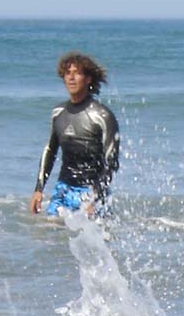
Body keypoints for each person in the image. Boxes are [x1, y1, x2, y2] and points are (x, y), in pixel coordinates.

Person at [29, 51, 120, 216]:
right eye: (67, 73)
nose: (71, 78)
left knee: (95, 239)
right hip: (63, 189)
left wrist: (95, 197)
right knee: (49, 234)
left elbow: (111, 163)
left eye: (77, 73)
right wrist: (38, 190)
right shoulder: (58, 113)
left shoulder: (102, 115)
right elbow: (50, 151)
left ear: (88, 79)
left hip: (92, 191)